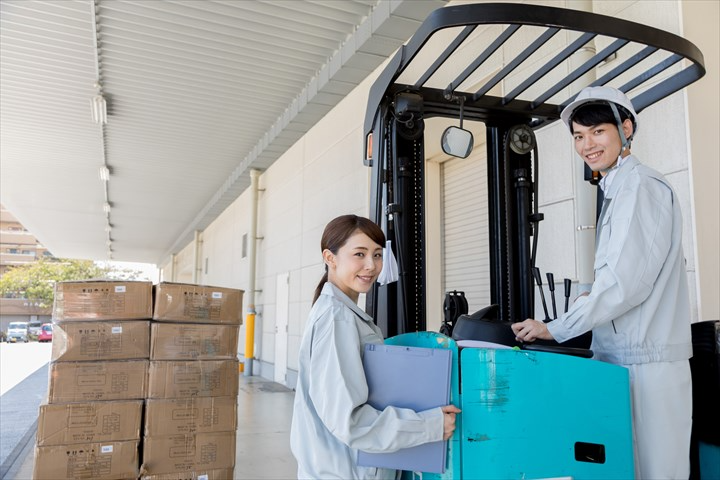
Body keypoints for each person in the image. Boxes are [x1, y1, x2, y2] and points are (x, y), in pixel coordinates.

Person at [511, 86, 693, 479]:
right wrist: (585, 297)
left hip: (646, 364)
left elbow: (626, 285)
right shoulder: (619, 189)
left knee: (655, 473)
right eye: (578, 135)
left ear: (626, 129)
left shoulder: (641, 187)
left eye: (597, 132)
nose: (587, 144)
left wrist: (555, 328)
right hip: (623, 360)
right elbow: (622, 276)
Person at [290, 214, 460, 480]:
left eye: (377, 255)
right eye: (359, 254)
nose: (371, 265)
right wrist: (430, 425)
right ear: (330, 258)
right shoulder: (338, 318)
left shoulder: (340, 312)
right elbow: (349, 423)